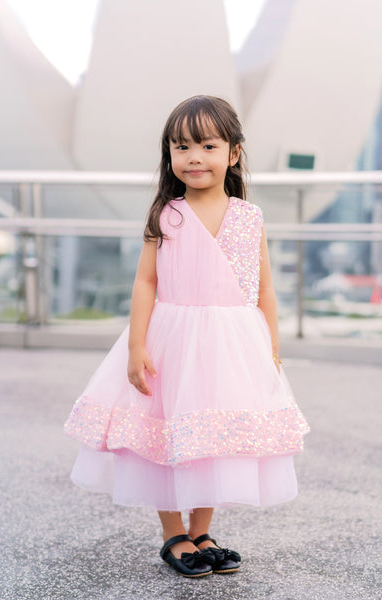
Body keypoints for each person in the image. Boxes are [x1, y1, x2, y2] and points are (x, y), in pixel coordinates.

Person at [64, 95, 310, 578]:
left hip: (231, 344)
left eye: (207, 145)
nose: (194, 157)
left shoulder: (249, 217)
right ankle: (173, 532)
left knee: (213, 437)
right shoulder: (167, 214)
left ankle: (202, 530)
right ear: (170, 155)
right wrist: (137, 346)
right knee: (167, 432)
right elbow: (146, 282)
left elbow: (263, 289)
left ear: (232, 154)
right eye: (181, 147)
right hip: (172, 339)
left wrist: (272, 350)